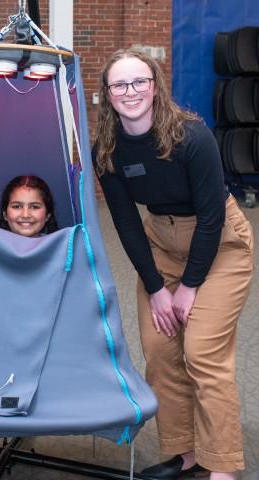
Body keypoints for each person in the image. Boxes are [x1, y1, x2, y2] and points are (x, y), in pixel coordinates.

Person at [93, 49, 253, 480]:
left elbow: (212, 216)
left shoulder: (191, 137)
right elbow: (125, 222)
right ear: (107, 94)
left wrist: (189, 286)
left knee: (202, 352)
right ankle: (187, 455)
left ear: (155, 85)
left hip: (219, 243)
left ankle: (221, 468)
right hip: (160, 242)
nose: (131, 92)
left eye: (139, 82)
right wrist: (156, 287)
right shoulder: (107, 148)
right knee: (161, 351)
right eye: (120, 85)